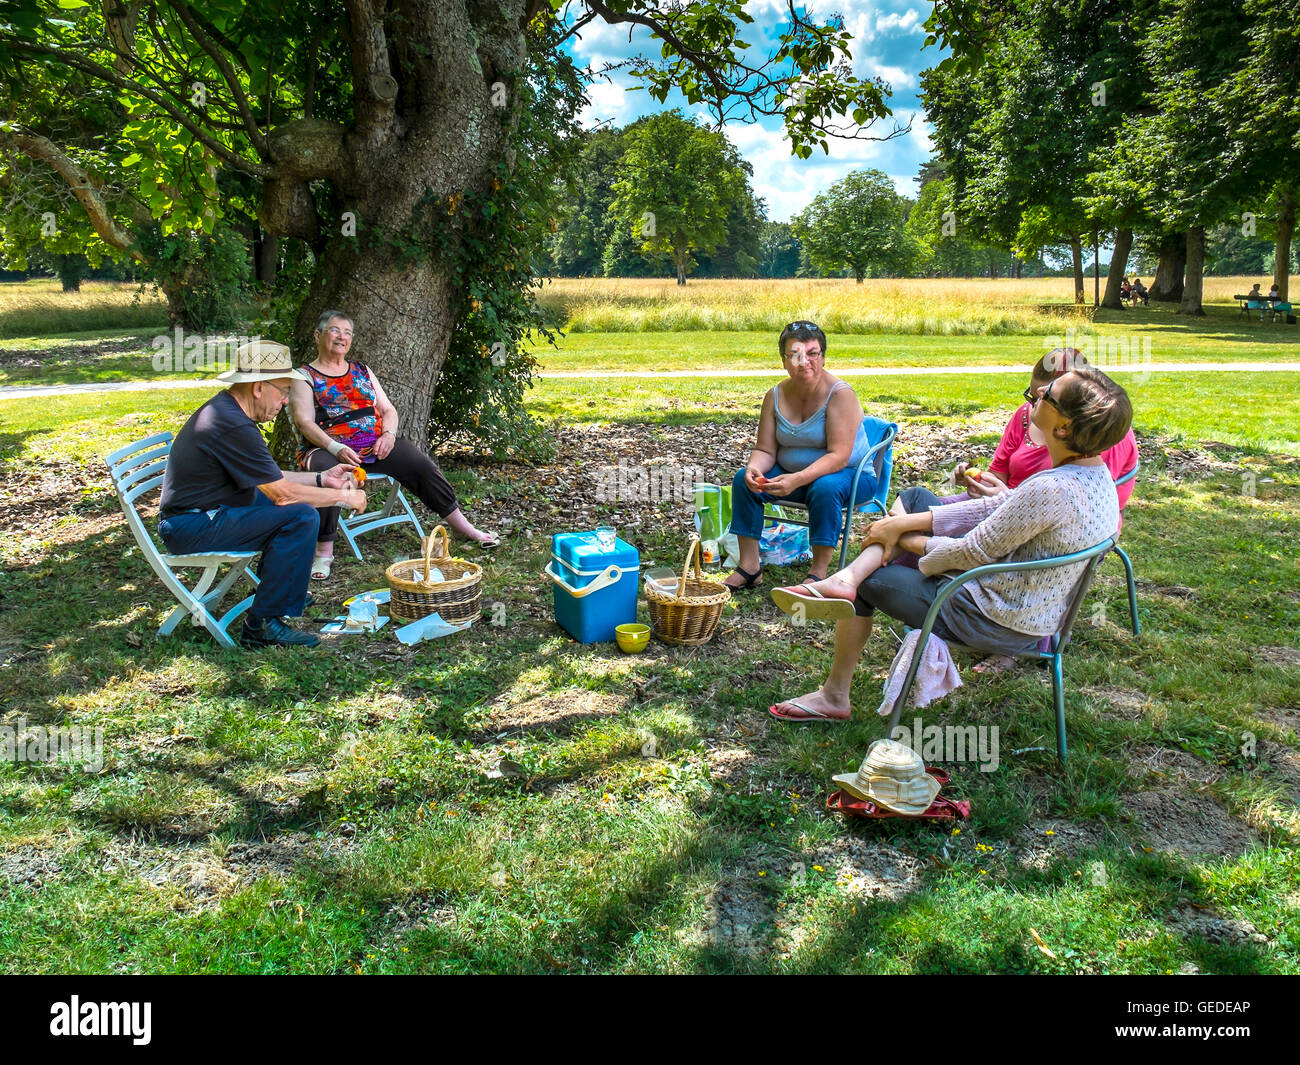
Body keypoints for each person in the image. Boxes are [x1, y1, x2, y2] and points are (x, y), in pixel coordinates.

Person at [768, 365, 1133, 721]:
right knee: (914, 498)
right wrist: (911, 523)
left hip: (993, 619)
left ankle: (834, 690)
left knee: (872, 581)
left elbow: (969, 553)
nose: (1039, 390)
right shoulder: (1096, 478)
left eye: (1050, 394)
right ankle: (844, 581)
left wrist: (901, 536)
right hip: (1035, 613)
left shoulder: (1049, 488)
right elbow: (1001, 508)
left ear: (1065, 428)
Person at [157, 341, 368, 649]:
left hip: (207, 512)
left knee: (287, 507)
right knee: (299, 516)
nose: (285, 402)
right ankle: (262, 624)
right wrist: (344, 499)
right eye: (283, 391)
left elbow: (271, 479)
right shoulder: (232, 425)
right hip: (192, 526)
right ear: (258, 388)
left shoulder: (229, 411)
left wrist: (322, 479)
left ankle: (276, 593)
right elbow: (282, 495)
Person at [290, 310, 498, 580]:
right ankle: (324, 550)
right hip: (327, 447)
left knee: (420, 465)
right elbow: (305, 423)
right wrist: (335, 448)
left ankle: (463, 526)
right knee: (330, 476)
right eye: (334, 330)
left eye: (347, 332)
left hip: (375, 443)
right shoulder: (303, 376)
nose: (342, 337)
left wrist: (388, 435)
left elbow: (388, 410)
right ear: (317, 335)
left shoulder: (362, 370)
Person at [725, 320, 884, 588]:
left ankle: (818, 573)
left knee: (825, 487)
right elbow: (765, 449)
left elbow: (839, 457)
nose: (804, 361)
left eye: (812, 353)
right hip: (793, 478)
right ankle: (749, 567)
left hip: (850, 477)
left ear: (822, 357)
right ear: (784, 360)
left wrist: (796, 479)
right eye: (795, 354)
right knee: (744, 480)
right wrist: (755, 468)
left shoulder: (840, 394)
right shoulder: (774, 396)